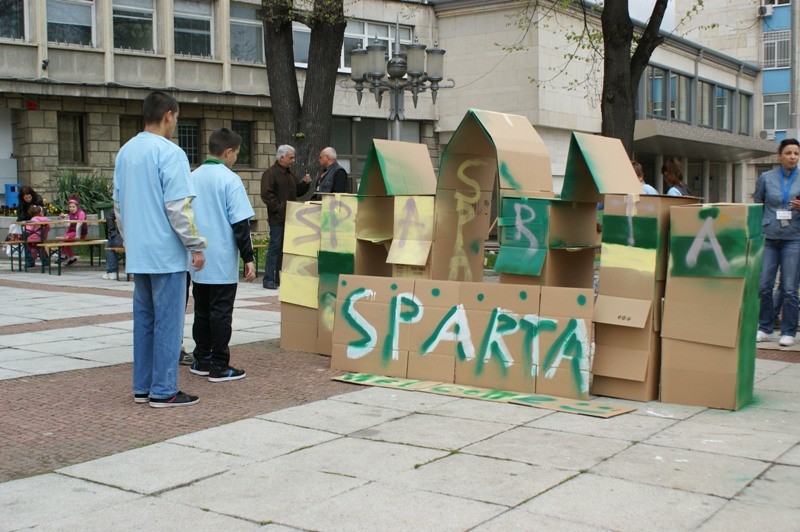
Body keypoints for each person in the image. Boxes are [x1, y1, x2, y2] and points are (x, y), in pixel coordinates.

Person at [114, 90, 207, 408]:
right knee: (168, 322)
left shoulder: (125, 152)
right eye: (176, 117)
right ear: (168, 115)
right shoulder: (171, 152)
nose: (175, 123)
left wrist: (130, 241)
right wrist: (195, 245)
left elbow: (118, 206)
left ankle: (143, 387)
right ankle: (164, 389)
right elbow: (178, 206)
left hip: (139, 252)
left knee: (144, 321)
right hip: (166, 253)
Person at [188, 128, 256, 382]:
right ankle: (219, 364)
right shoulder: (230, 179)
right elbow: (240, 223)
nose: (236, 158)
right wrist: (248, 257)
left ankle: (202, 358)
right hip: (222, 258)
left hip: (197, 258)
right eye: (236, 154)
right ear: (228, 152)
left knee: (202, 311)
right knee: (221, 313)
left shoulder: (192, 177)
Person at [755, 138, 800, 347]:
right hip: (769, 237)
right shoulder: (766, 177)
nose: (792, 157)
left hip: (794, 238)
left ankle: (788, 331)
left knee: (790, 288)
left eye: (796, 154)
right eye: (788, 153)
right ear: (780, 155)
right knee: (764, 285)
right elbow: (758, 204)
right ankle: (765, 327)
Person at [260, 144, 311, 290]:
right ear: (281, 157)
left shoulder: (289, 174)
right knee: (275, 248)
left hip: (289, 217)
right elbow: (266, 194)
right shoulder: (270, 173)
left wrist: (305, 183)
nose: (293, 161)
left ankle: (278, 278)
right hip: (277, 218)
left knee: (284, 249)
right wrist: (280, 208)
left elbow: (297, 192)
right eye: (291, 158)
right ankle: (268, 279)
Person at [16, 186, 45, 268]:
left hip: (38, 225)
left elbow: (41, 213)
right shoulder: (22, 203)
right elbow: (20, 215)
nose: (28, 199)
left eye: (29, 197)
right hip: (27, 224)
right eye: (26, 198)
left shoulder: (38, 200)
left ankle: (44, 260)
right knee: (26, 239)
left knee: (38, 240)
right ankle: (30, 261)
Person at [57, 196, 88, 266]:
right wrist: (63, 219)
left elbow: (79, 225)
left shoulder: (81, 213)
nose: (71, 208)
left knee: (64, 239)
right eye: (70, 207)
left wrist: (78, 235)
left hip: (81, 233)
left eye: (73, 207)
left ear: (77, 206)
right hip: (72, 232)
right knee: (64, 240)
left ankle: (64, 256)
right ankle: (70, 258)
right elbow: (68, 225)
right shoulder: (70, 214)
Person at [102, 208, 123, 280]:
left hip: (122, 236)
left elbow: (109, 217)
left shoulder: (120, 206)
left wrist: (113, 232)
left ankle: (111, 271)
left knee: (109, 246)